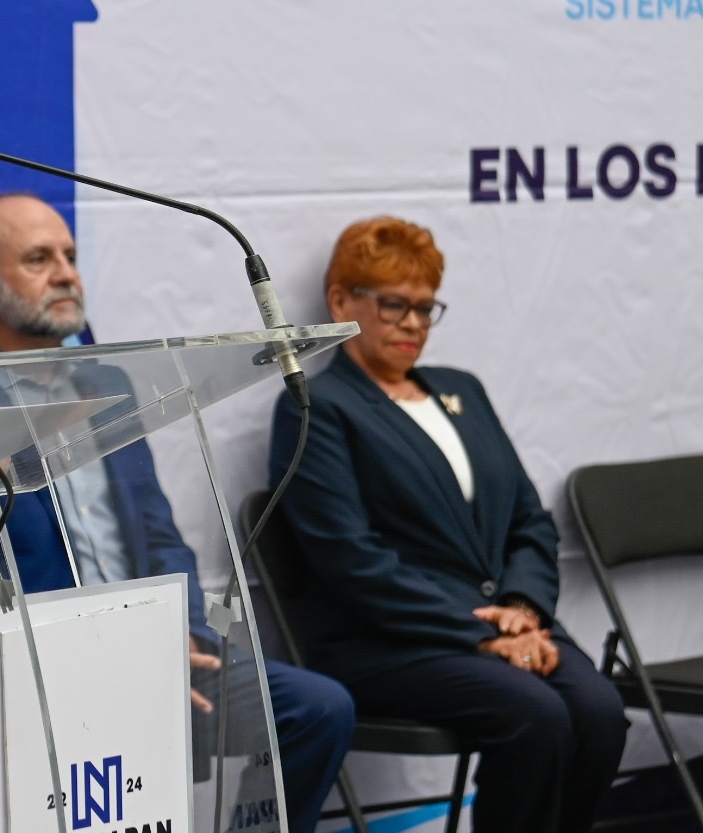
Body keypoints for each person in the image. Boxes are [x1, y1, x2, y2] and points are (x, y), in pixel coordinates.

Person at [0, 193, 355, 832]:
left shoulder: (109, 387)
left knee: (317, 709)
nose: (65, 274)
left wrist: (178, 632)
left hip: (151, 652)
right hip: (28, 671)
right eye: (39, 259)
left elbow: (159, 535)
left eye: (70, 256)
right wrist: (93, 658)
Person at [268, 216, 628, 833]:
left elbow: (529, 521)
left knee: (600, 711)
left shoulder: (463, 391)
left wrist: (521, 607)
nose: (413, 324)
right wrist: (478, 634)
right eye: (394, 305)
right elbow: (351, 560)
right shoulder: (316, 408)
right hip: (385, 642)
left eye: (426, 308)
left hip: (503, 625)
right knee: (536, 715)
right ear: (341, 302)